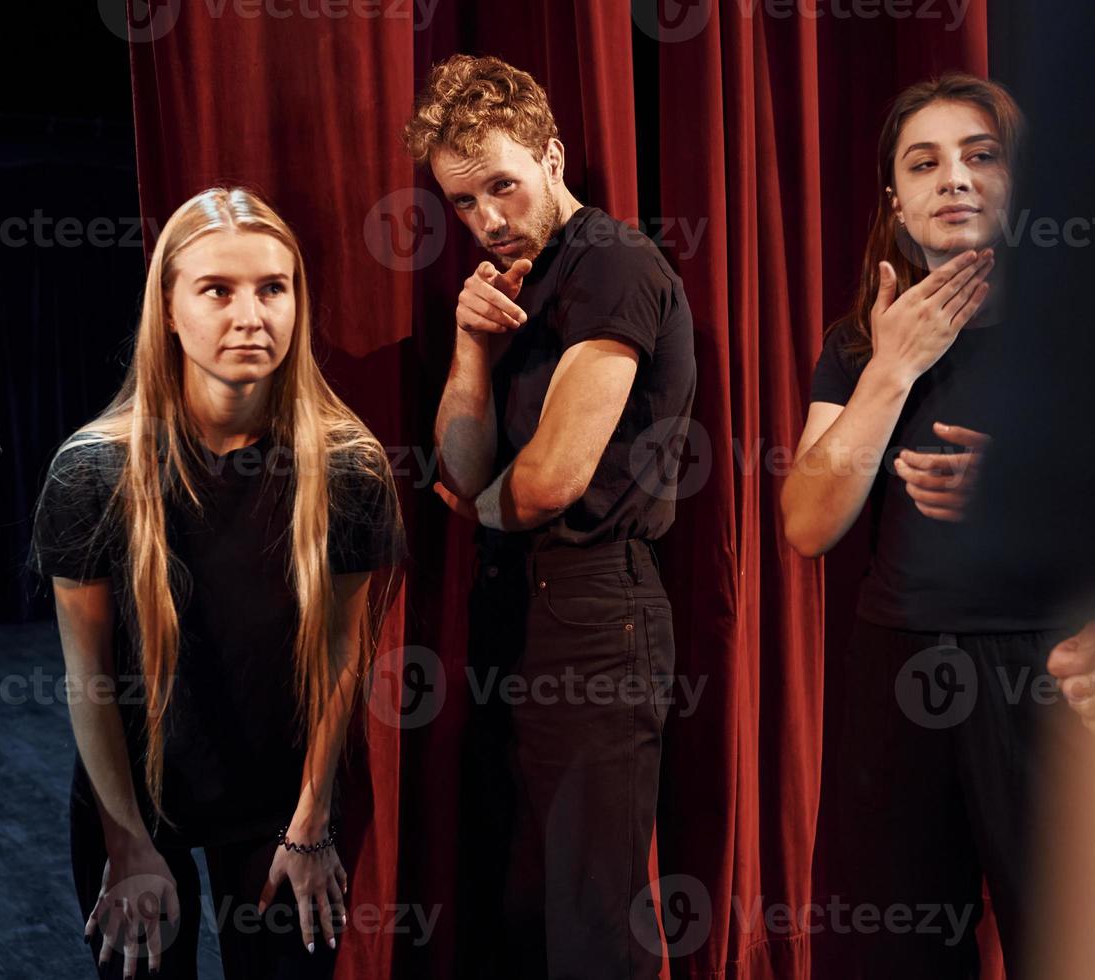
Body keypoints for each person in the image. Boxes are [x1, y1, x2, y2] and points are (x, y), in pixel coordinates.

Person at [32, 186, 404, 980]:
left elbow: (345, 655)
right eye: (217, 290)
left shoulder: (348, 465)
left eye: (274, 288)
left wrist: (310, 822)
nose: (251, 315)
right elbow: (87, 677)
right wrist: (125, 842)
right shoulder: (92, 471)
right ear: (168, 308)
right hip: (137, 792)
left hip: (283, 793)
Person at [779, 73, 1081, 977]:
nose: (954, 177)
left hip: (1053, 670)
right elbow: (807, 524)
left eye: (981, 155)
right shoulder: (858, 347)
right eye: (926, 162)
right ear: (897, 204)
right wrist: (891, 372)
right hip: (900, 668)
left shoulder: (1085, 334)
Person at [404, 54, 697, 980]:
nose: (487, 219)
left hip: (596, 613)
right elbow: (464, 460)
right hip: (517, 608)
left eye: (502, 185)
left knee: (588, 923)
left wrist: (479, 507)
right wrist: (470, 348)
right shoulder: (514, 281)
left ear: (553, 156)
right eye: (462, 203)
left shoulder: (611, 262)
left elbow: (547, 483)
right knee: (521, 908)